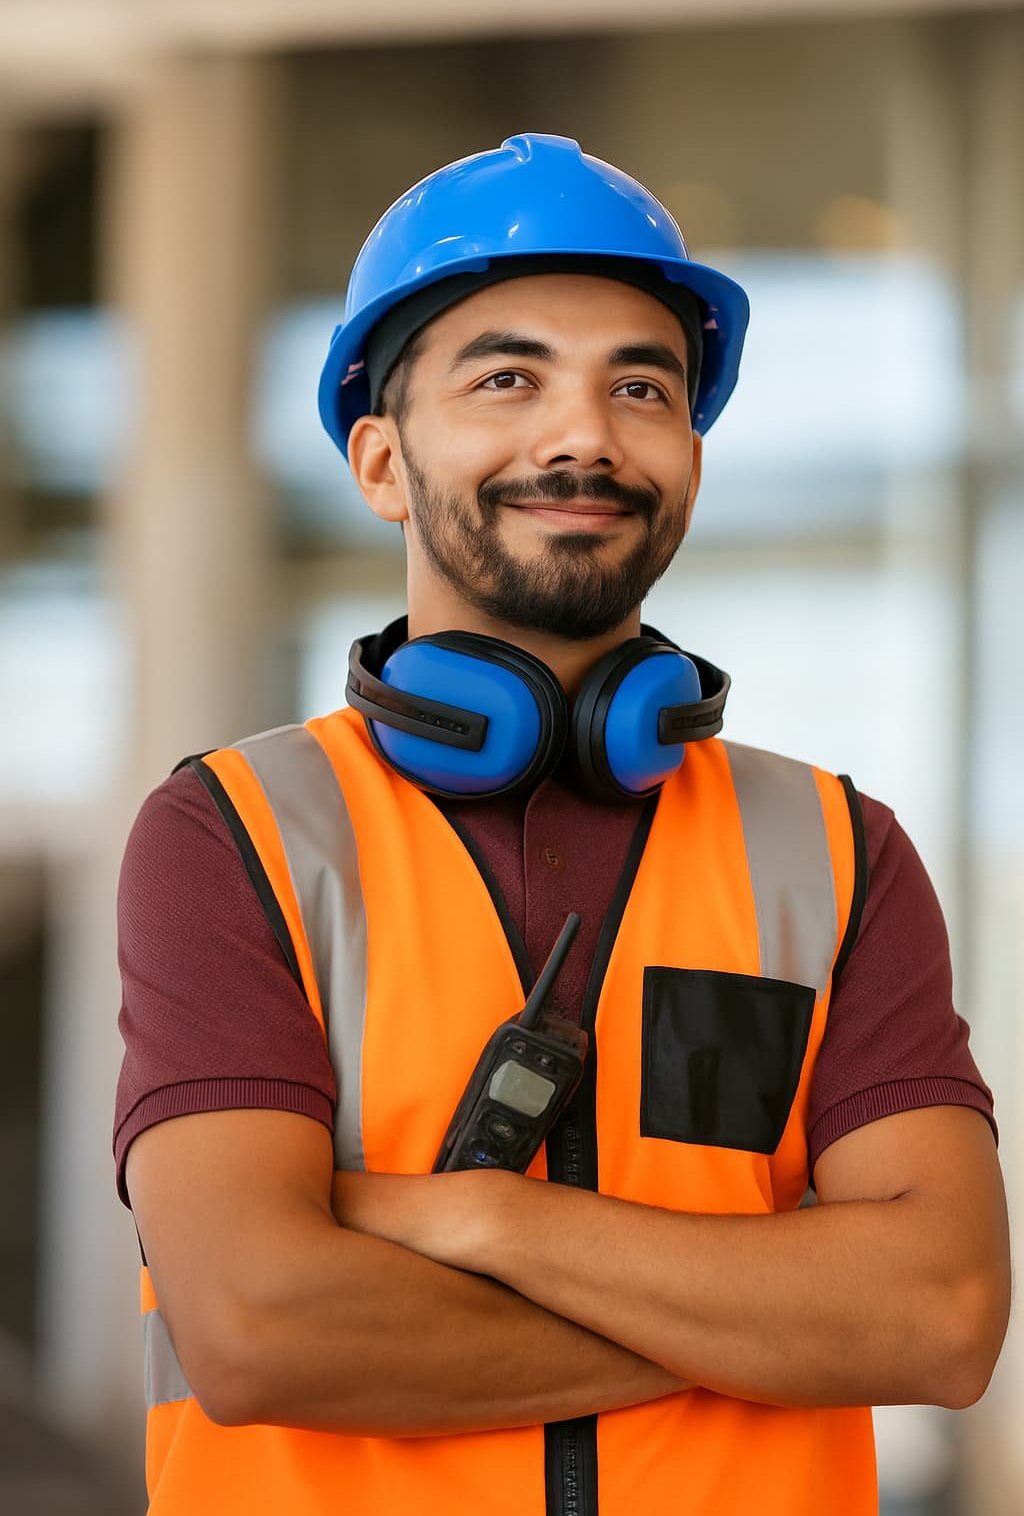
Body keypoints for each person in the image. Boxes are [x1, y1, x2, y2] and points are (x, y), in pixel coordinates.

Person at [114, 133, 1010, 1516]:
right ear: (380, 462)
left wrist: (482, 1218)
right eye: (507, 378)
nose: (583, 435)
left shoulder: (837, 853)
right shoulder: (233, 835)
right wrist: (765, 1322)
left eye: (639, 387)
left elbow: (940, 1317)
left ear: (690, 461)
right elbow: (259, 1326)